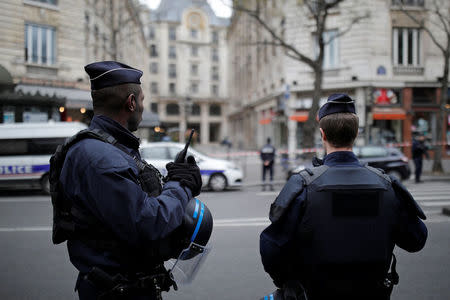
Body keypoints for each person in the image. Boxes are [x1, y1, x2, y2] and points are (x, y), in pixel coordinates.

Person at [50, 61, 203, 300]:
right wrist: (181, 184)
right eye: (142, 100)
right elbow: (149, 222)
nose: (142, 106)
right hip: (117, 290)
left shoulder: (110, 147)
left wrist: (173, 181)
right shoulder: (100, 157)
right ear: (131, 102)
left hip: (125, 285)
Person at [259, 93, 427, 300]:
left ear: (322, 135)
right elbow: (416, 240)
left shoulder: (303, 186)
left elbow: (271, 249)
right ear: (356, 133)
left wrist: (288, 281)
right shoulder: (386, 185)